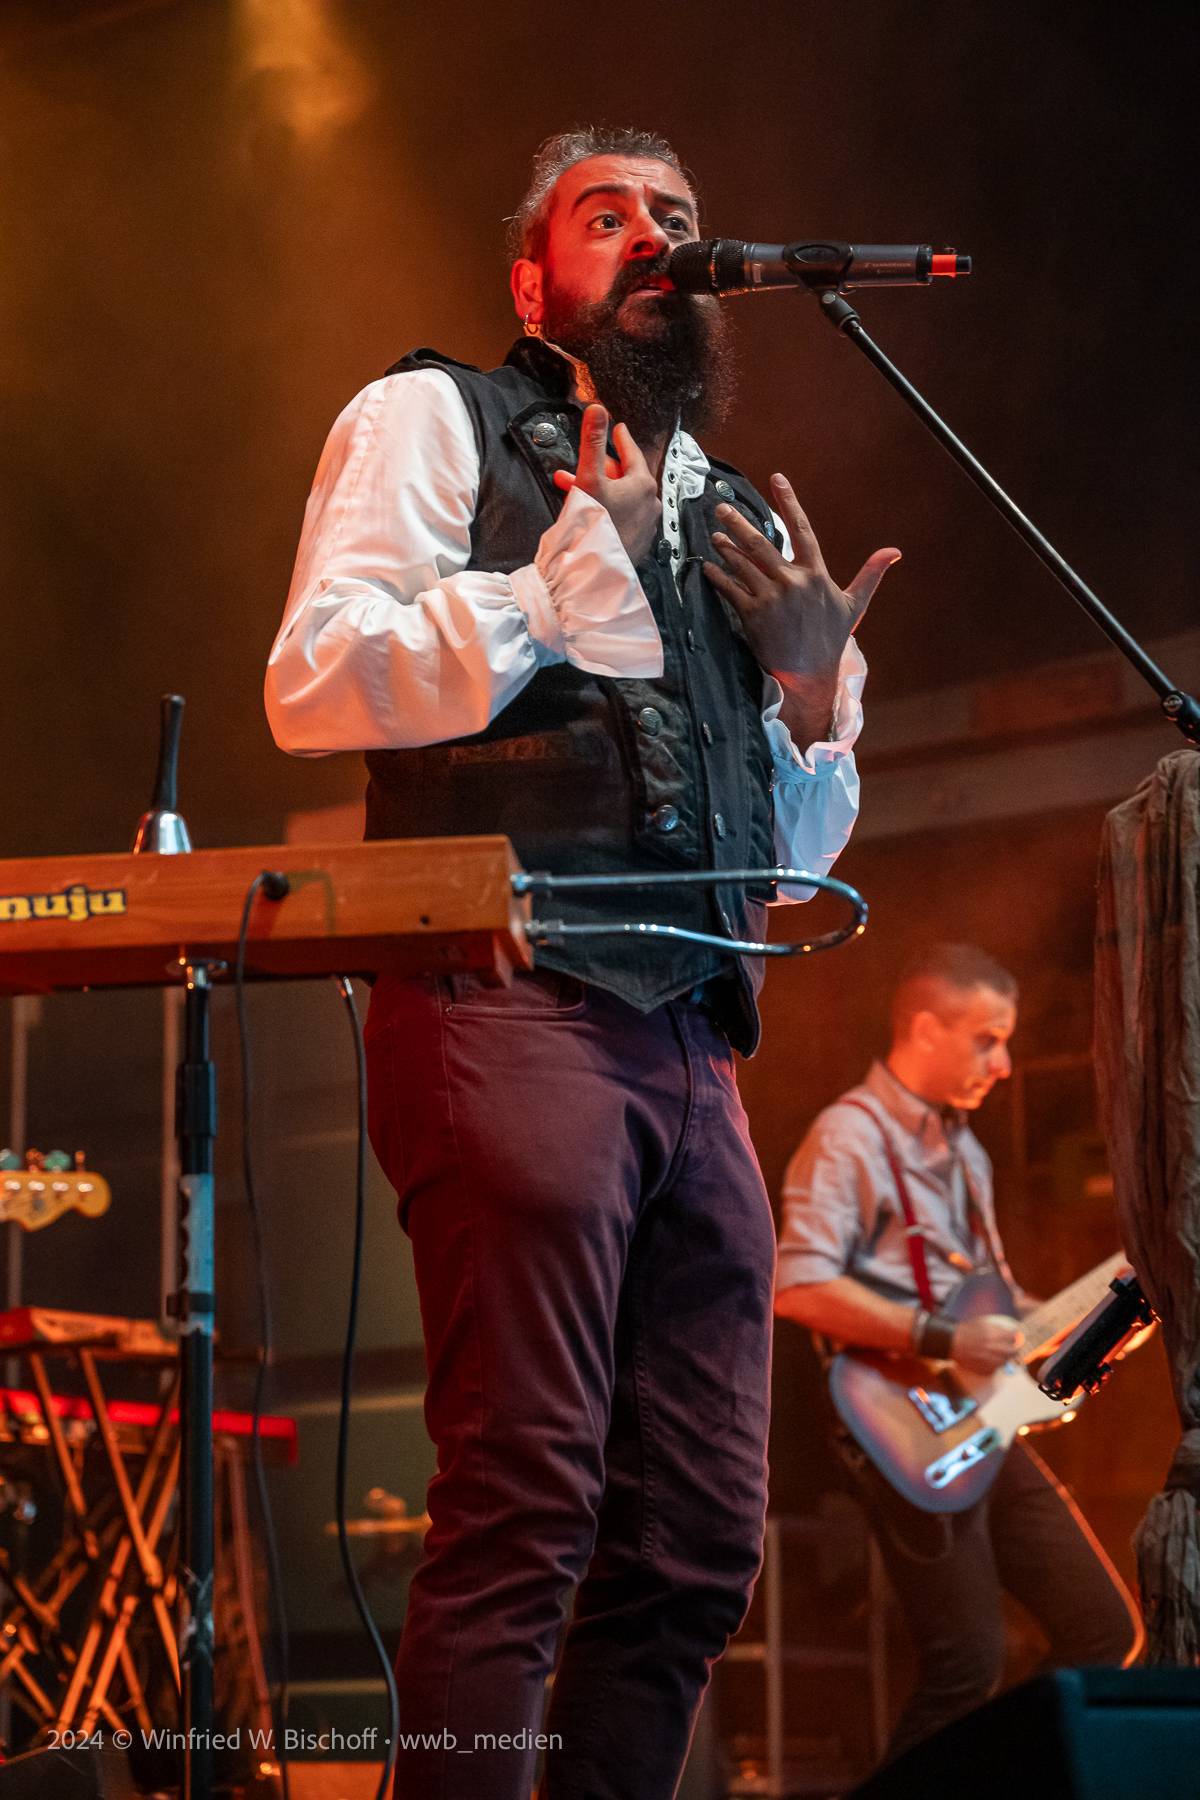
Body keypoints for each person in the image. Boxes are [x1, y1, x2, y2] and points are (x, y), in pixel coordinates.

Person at [265, 125, 898, 1800]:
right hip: (511, 989)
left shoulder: (733, 513)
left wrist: (811, 705)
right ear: (533, 280)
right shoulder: (436, 419)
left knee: (696, 1541)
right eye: (605, 214)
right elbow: (313, 681)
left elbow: (780, 866)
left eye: (678, 215)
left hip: (696, 1042)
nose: (654, 235)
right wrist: (553, 592)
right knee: (527, 1501)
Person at [774, 942, 1143, 1764]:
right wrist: (941, 1337)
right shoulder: (847, 1136)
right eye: (987, 1039)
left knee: (1102, 1628)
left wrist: (1098, 1313)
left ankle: (1005, 1780)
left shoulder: (965, 1153)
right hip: (901, 1430)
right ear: (924, 1029)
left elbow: (998, 1306)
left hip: (979, 1417)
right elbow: (796, 1286)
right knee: (966, 1662)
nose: (1004, 1064)